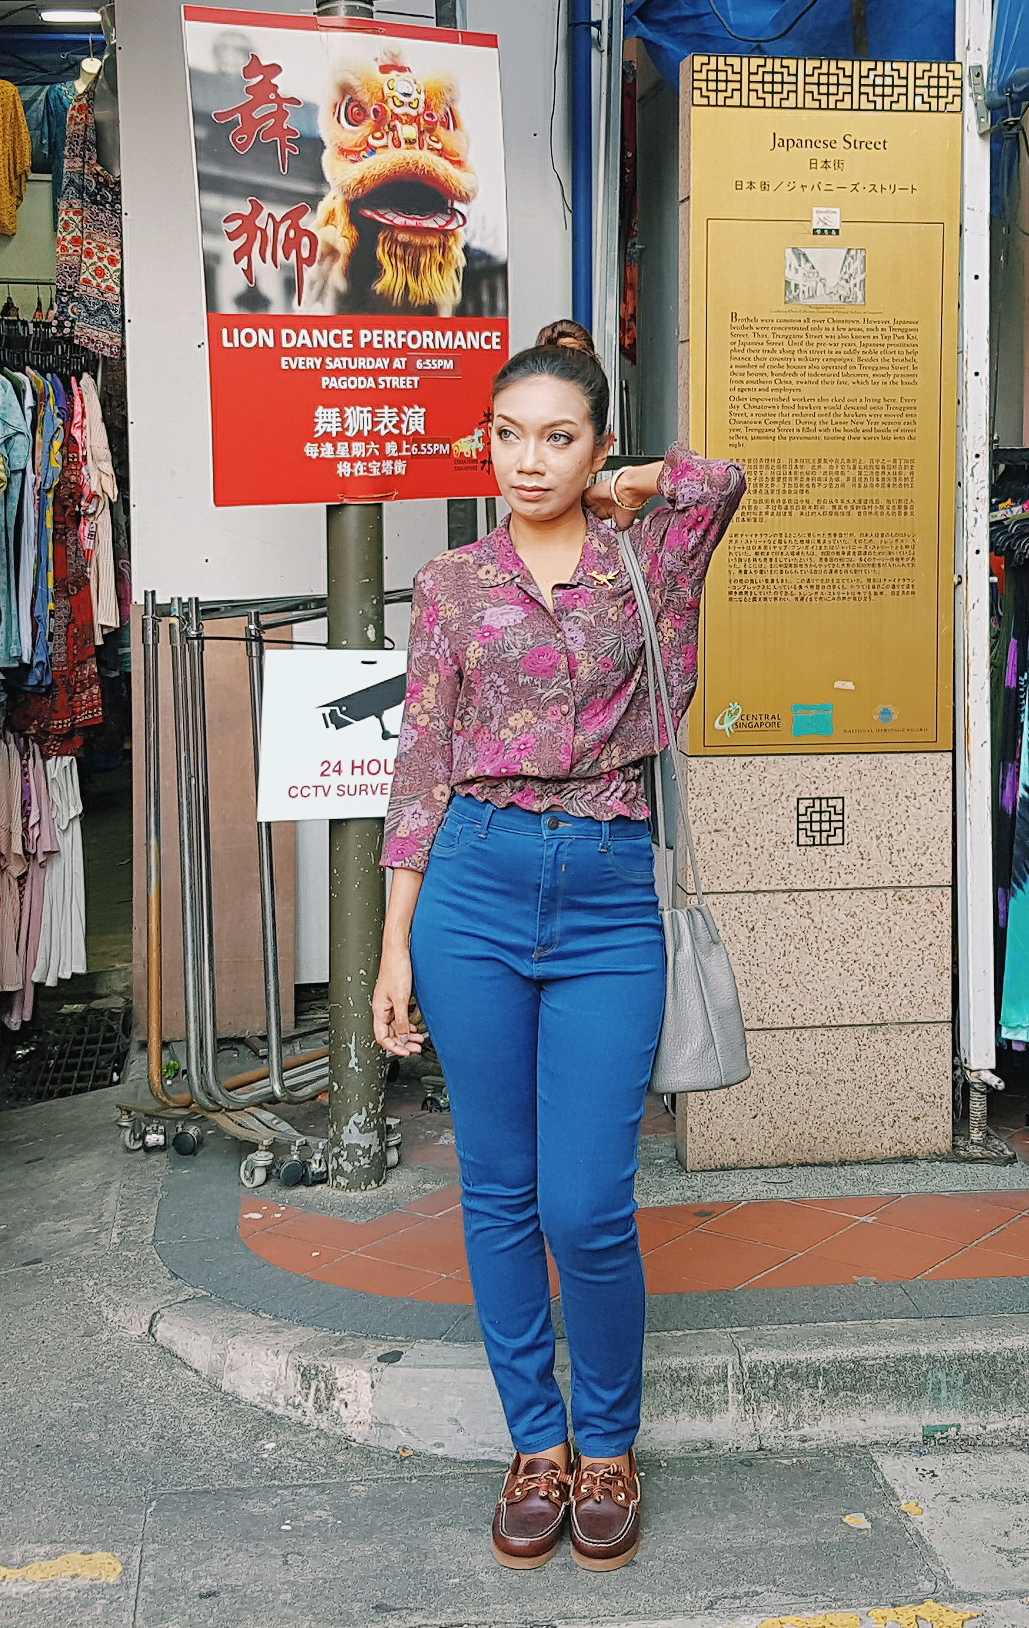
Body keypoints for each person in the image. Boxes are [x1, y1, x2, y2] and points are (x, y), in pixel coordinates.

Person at [375, 320, 746, 1572]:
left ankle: (609, 1446)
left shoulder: (650, 564)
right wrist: (394, 945)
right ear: (482, 442)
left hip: (602, 896)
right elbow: (420, 763)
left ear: (595, 446)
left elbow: (720, 482)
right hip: (472, 885)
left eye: (558, 438)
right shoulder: (450, 587)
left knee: (589, 1204)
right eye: (509, 435)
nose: (527, 461)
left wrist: (626, 487)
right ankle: (536, 1442)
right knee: (499, 1191)